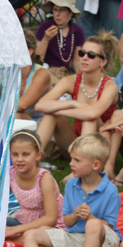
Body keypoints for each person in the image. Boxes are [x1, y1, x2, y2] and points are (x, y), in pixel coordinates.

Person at [13, 133, 122, 247]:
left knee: (92, 225)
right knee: (31, 234)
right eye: (71, 159)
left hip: (104, 240)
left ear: (95, 165)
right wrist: (76, 215)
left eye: (77, 160)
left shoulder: (110, 190)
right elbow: (67, 222)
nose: (71, 163)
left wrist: (90, 218)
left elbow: (109, 226)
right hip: (75, 236)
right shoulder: (72, 184)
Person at [35, 31, 119, 165]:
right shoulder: (71, 80)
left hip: (100, 145)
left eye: (91, 55)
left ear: (102, 62)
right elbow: (40, 105)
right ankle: (33, 158)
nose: (84, 58)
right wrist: (73, 103)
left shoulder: (110, 86)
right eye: (82, 53)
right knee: (51, 115)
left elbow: (93, 114)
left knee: (89, 118)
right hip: (74, 140)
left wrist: (59, 109)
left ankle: (80, 168)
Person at [6, 130, 65, 243]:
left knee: (31, 235)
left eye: (26, 154)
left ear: (38, 155)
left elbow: (51, 219)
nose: (19, 159)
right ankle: (15, 238)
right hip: (24, 220)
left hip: (50, 226)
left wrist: (13, 230)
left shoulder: (44, 178)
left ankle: (16, 239)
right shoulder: (11, 173)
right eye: (15, 154)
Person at [36, 0, 84, 86]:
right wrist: (46, 39)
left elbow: (77, 61)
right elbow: (37, 59)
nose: (57, 14)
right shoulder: (45, 27)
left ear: (70, 13)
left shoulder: (77, 31)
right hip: (46, 72)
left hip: (64, 74)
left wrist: (83, 77)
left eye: (61, 10)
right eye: (55, 10)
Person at [16, 29, 50, 120]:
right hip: (15, 121)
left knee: (16, 116)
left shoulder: (41, 74)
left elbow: (23, 105)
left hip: (41, 126)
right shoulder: (10, 72)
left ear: (29, 51)